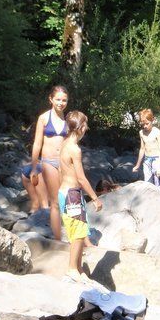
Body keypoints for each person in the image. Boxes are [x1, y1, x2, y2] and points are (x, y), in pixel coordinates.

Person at [58, 110, 103, 282]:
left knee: (79, 230)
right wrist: (95, 198)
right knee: (77, 233)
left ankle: (79, 268)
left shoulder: (64, 143)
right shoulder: (75, 149)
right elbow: (81, 178)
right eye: (86, 125)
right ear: (81, 127)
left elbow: (60, 170)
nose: (87, 128)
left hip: (64, 193)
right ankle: (72, 269)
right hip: (72, 195)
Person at [30, 85, 69, 240]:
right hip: (49, 162)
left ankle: (75, 237)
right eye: (58, 99)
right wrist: (34, 167)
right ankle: (58, 240)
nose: (61, 103)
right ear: (51, 99)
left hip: (64, 163)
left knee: (67, 200)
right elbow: (37, 144)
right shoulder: (44, 118)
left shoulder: (68, 119)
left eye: (64, 100)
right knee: (56, 202)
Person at [132, 108, 160, 188]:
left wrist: (159, 166)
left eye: (147, 123)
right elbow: (142, 149)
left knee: (158, 183)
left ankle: (159, 194)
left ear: (152, 120)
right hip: (147, 160)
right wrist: (137, 165)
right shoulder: (141, 133)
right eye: (143, 124)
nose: (145, 126)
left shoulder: (157, 132)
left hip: (157, 160)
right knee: (147, 182)